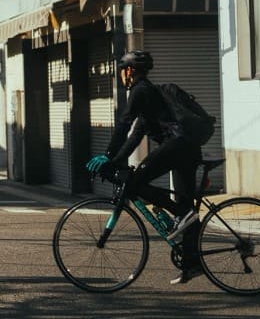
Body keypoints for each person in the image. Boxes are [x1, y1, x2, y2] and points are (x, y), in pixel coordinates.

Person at [86, 50, 204, 284]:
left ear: (129, 71)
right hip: (187, 149)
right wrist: (116, 159)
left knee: (137, 184)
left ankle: (183, 215)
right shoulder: (148, 94)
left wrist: (109, 156)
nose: (121, 75)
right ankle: (192, 263)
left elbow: (123, 124)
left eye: (122, 70)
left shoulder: (140, 91)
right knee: (186, 208)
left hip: (178, 146)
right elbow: (136, 134)